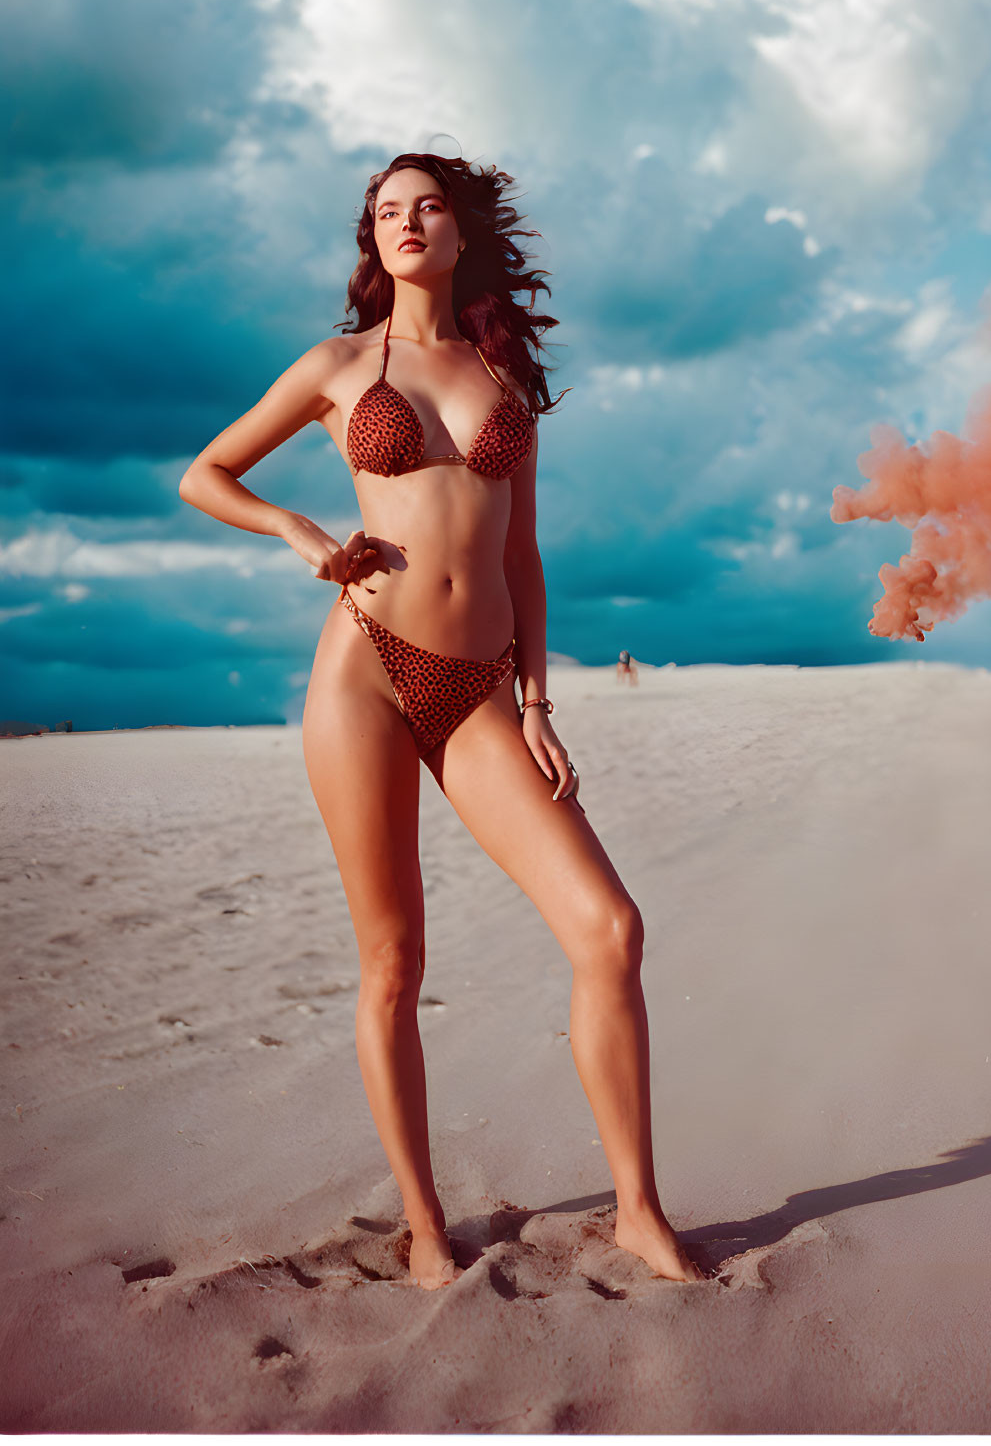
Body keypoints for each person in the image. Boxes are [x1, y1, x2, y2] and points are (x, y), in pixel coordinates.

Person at [178, 151, 705, 1289]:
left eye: (427, 207)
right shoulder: (335, 365)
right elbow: (205, 474)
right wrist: (302, 534)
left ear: (462, 233)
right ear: (373, 242)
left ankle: (639, 1211)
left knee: (610, 929)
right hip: (364, 667)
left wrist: (539, 701)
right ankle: (422, 1222)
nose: (407, 222)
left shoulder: (502, 379)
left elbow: (521, 552)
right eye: (385, 212)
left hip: (479, 688)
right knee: (394, 960)